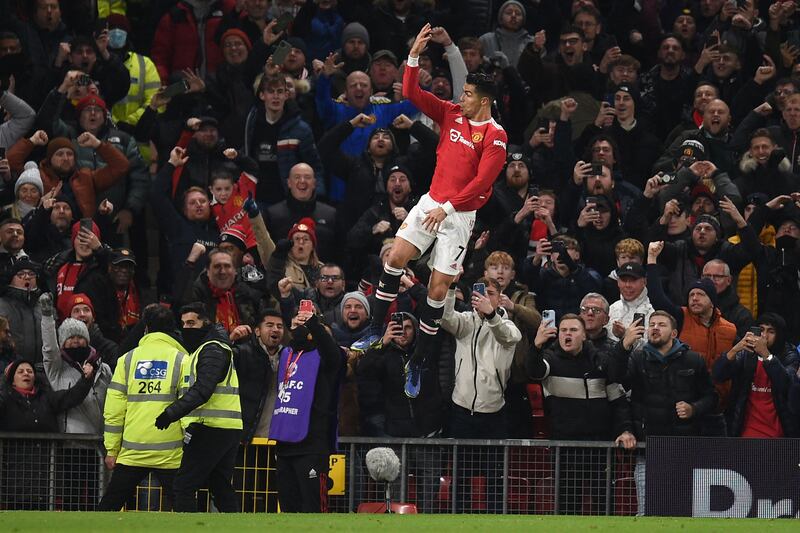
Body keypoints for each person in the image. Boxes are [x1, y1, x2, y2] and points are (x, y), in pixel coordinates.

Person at [367, 24, 508, 398]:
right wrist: (412, 55)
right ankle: (372, 330)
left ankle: (422, 360)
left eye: (467, 94)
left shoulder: (495, 136)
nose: (460, 97)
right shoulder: (450, 114)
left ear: (484, 100)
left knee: (438, 287)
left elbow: (482, 185)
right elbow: (412, 91)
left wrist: (447, 209)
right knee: (394, 257)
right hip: (431, 201)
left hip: (458, 216)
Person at [528, 313, 635, 514]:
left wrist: (626, 430)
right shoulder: (549, 360)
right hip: (565, 447)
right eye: (564, 330)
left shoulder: (599, 362)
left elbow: (619, 402)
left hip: (599, 447)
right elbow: (533, 370)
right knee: (567, 507)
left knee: (604, 506)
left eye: (574, 330)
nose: (567, 334)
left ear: (584, 336)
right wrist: (536, 347)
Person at [614, 311, 717, 515]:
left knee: (682, 511)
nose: (654, 328)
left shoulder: (693, 360)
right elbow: (617, 381)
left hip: (682, 448)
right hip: (647, 448)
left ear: (674, 333)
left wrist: (693, 408)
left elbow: (712, 398)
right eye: (652, 324)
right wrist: (623, 347)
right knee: (646, 512)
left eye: (661, 324)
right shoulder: (636, 357)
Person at [98, 304, 188, 511]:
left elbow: (114, 410)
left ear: (145, 328)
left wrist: (112, 449)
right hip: (171, 452)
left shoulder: (127, 360)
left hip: (133, 450)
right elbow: (188, 407)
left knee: (108, 507)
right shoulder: (183, 360)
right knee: (185, 511)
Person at [155, 302, 242, 513]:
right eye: (183, 323)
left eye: (192, 322)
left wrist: (170, 413)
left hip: (211, 428)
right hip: (224, 427)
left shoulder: (212, 349)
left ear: (206, 322)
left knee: (183, 486)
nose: (186, 328)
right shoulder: (209, 348)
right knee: (220, 486)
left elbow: (203, 389)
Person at [268, 307, 342, 513]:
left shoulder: (325, 357)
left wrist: (313, 324)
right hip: (284, 445)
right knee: (288, 509)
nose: (299, 327)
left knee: (313, 508)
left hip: (312, 445)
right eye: (295, 323)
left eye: (304, 323)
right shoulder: (286, 354)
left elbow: (333, 354)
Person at [0, 359, 95, 510]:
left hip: (47, 477)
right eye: (20, 371)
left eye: (30, 371)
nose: (26, 374)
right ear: (11, 379)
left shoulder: (46, 398)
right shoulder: (5, 400)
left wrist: (86, 379)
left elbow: (72, 396)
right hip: (14, 477)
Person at [713, 316, 798, 438]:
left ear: (779, 335)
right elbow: (718, 375)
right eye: (761, 330)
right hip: (746, 431)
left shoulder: (789, 356)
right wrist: (734, 349)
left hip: (778, 434)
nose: (764, 336)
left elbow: (786, 385)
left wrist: (766, 354)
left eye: (771, 331)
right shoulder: (746, 354)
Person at [40, 294, 112, 436]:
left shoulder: (103, 369)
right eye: (70, 337)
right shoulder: (57, 368)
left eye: (80, 337)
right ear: (62, 342)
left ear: (87, 340)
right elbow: (49, 348)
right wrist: (47, 316)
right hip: (69, 443)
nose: (75, 341)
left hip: (101, 441)